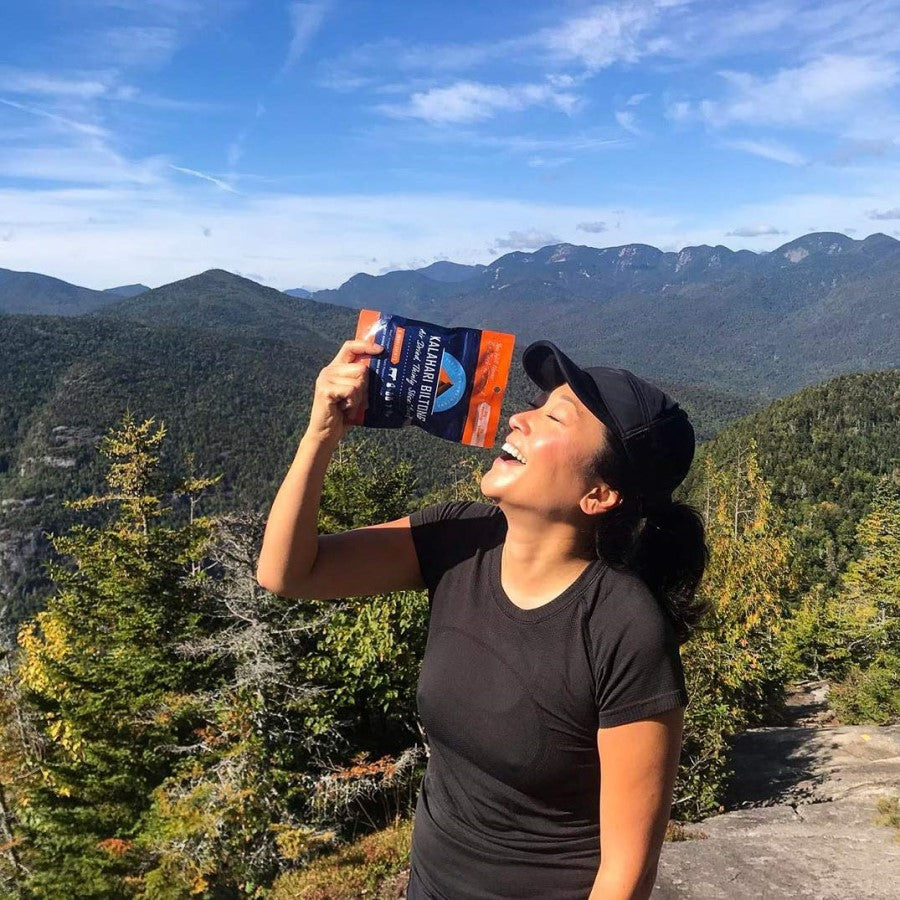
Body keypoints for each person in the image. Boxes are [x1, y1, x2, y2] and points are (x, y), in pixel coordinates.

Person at [256, 336, 710, 900]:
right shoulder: (459, 539)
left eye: (554, 418)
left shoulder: (622, 626)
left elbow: (627, 874)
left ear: (598, 494)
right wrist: (322, 434)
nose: (518, 417)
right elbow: (289, 573)